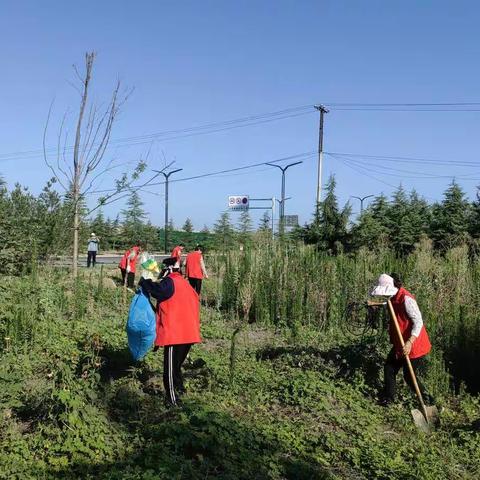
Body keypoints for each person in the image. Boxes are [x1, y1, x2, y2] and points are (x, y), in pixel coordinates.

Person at [139, 257, 201, 406]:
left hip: (176, 334)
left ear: (167, 269)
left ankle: (172, 401)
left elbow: (157, 291)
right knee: (176, 366)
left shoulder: (170, 282)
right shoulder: (185, 283)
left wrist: (144, 281)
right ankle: (180, 391)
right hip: (189, 333)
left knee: (170, 370)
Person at [370, 273, 433, 405]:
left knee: (409, 377)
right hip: (400, 342)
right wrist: (375, 304)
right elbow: (390, 305)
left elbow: (418, 322)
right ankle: (390, 399)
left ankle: (429, 401)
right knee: (389, 368)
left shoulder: (407, 299)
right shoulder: (391, 297)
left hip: (414, 343)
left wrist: (410, 342)